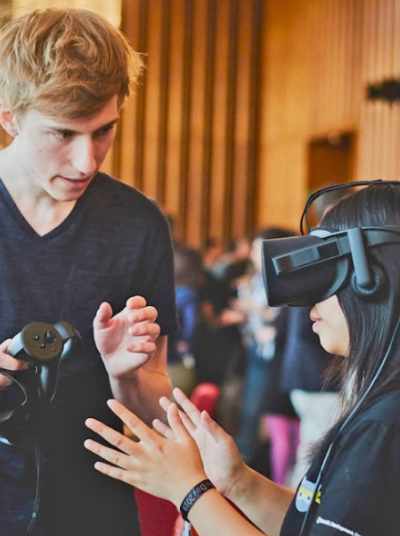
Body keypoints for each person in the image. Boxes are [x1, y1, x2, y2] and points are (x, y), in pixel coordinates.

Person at [85, 181, 400, 536]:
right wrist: (237, 481)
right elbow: (319, 526)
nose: (310, 298)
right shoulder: (379, 409)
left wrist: (189, 492)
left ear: (371, 280)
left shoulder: (386, 426)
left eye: (330, 272)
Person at [0, 8, 176, 536]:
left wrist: (127, 377)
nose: (86, 161)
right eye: (62, 134)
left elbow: (152, 421)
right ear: (10, 117)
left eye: (104, 132)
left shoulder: (137, 225)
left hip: (94, 509)